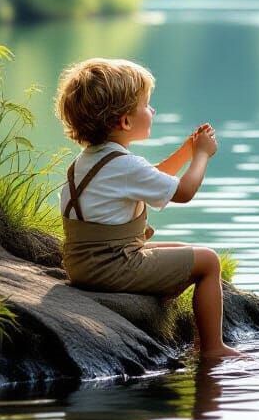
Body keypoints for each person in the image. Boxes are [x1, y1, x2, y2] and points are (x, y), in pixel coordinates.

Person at [55, 57, 241, 360]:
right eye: (146, 105)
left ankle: (164, 297)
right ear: (125, 121)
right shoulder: (125, 165)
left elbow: (152, 176)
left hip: (83, 264)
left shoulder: (92, 160)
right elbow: (183, 191)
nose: (152, 111)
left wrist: (185, 151)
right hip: (112, 267)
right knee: (207, 262)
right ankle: (212, 348)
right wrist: (202, 156)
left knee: (183, 249)